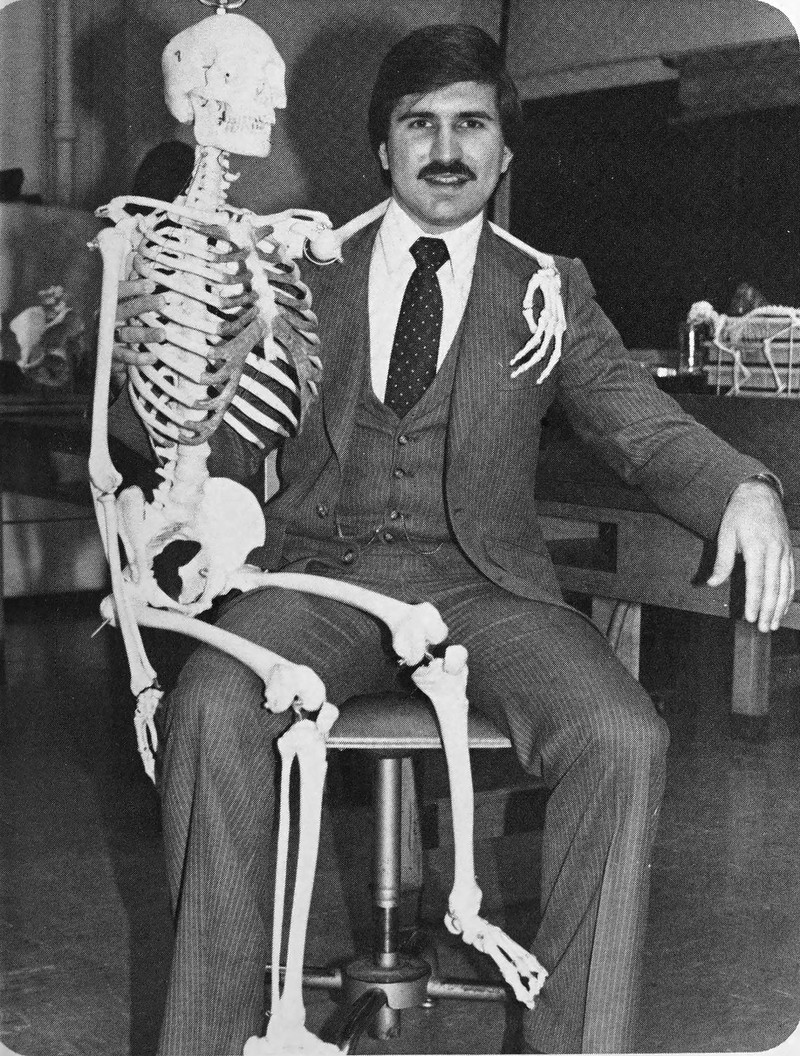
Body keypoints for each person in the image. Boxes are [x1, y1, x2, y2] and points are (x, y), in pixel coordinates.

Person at [111, 23, 793, 1056]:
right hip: (318, 578)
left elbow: (636, 422)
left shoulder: (547, 286)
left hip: (487, 588)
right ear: (381, 147)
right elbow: (219, 440)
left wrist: (742, 486)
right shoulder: (302, 270)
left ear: (504, 151)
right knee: (211, 704)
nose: (445, 148)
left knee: (621, 736)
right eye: (418, 123)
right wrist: (167, 389)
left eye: (470, 124)